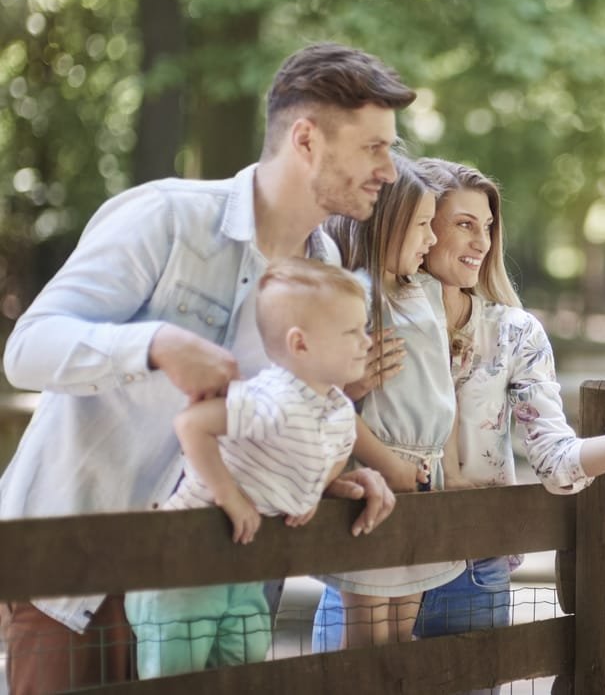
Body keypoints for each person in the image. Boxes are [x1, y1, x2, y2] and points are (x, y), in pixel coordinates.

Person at [0, 42, 409, 695]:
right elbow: (28, 348)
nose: (389, 169)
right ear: (307, 140)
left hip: (216, 586)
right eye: (374, 148)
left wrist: (323, 471)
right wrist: (157, 342)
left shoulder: (329, 269)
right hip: (80, 575)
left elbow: (277, 412)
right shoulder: (168, 216)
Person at [312, 158, 605, 687]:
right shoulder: (361, 310)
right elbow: (313, 408)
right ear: (420, 223)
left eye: (487, 226)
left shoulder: (514, 334)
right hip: (368, 545)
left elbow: (557, 461)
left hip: (473, 570)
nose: (482, 241)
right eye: (463, 223)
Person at [124, 257, 369, 678]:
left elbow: (326, 455)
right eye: (352, 332)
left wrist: (313, 493)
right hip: (185, 564)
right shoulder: (269, 398)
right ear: (300, 344)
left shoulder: (338, 411)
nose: (366, 342)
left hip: (245, 570)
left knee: (245, 665)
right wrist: (230, 496)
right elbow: (191, 424)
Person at [314, 155, 466, 648]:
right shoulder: (357, 295)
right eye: (422, 225)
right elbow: (333, 401)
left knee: (402, 634)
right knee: (368, 641)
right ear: (386, 224)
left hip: (424, 476)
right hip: (379, 476)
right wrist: (390, 467)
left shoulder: (418, 290)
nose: (431, 238)